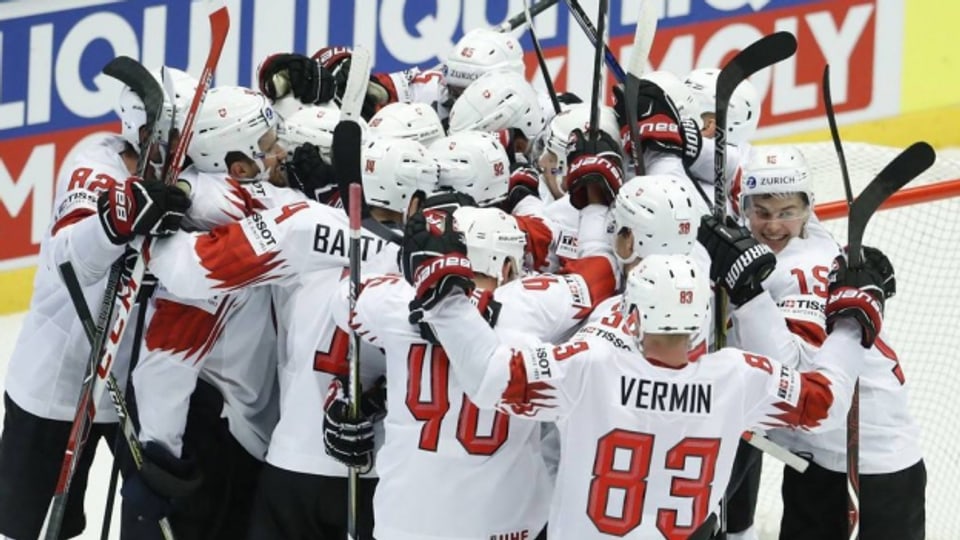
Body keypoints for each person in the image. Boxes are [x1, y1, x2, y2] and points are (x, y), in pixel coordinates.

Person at [400, 188, 892, 537]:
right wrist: (851, 325)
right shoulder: (738, 377)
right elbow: (824, 405)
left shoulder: (591, 365)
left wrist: (446, 300)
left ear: (632, 313)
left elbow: (492, 378)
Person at [322, 201, 616, 540]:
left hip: (402, 523)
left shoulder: (397, 302)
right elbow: (602, 276)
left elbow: (344, 298)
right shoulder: (531, 304)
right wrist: (593, 205)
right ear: (506, 265)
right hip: (505, 526)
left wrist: (434, 301)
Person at [0, 69, 190, 539]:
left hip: (133, 389)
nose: (173, 148)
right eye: (163, 136)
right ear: (138, 131)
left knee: (156, 525)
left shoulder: (181, 173)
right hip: (58, 389)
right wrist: (115, 220)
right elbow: (70, 253)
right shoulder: (96, 164)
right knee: (35, 528)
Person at [120, 85, 308, 540]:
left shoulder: (235, 201)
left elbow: (279, 208)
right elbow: (166, 360)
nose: (279, 153)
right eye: (267, 147)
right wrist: (161, 461)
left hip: (240, 422)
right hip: (209, 436)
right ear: (239, 166)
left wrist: (190, 186)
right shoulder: (211, 239)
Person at [726, 145, 926, 540]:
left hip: (873, 453)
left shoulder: (795, 275)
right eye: (761, 212)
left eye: (787, 213)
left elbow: (799, 377)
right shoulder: (811, 233)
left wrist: (747, 295)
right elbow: (740, 173)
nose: (773, 226)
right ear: (743, 206)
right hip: (817, 454)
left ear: (807, 207)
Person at [247, 136, 437, 540]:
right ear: (417, 203)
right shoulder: (422, 275)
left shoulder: (308, 250)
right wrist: (373, 399)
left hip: (292, 461)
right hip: (375, 470)